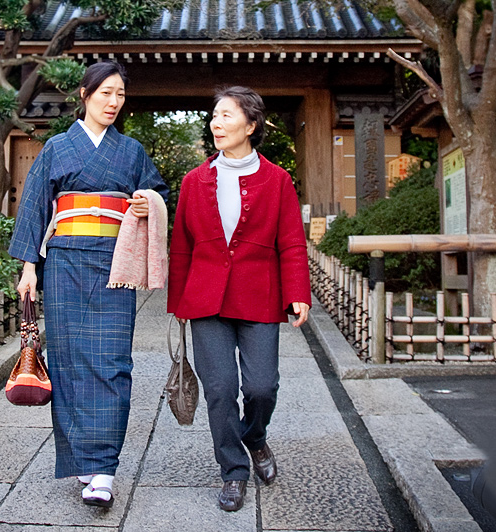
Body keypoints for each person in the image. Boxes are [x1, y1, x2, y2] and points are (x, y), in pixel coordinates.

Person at [9, 61, 168, 509]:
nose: (113, 102)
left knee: (113, 363)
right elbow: (36, 207)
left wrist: (145, 204)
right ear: (84, 94)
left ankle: (104, 468)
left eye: (119, 95)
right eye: (105, 94)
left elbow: (158, 194)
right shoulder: (58, 148)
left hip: (113, 266)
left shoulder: (132, 152)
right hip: (63, 264)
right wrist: (28, 268)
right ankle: (82, 455)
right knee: (68, 361)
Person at [167, 86, 311, 512]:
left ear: (251, 126)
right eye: (214, 115)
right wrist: (178, 301)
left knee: (262, 387)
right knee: (220, 389)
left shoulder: (278, 180)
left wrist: (298, 293)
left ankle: (255, 436)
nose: (217, 123)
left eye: (227, 116)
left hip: (259, 296)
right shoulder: (194, 181)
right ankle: (233, 471)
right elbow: (182, 246)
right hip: (206, 300)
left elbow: (292, 243)